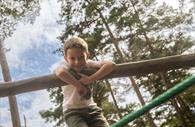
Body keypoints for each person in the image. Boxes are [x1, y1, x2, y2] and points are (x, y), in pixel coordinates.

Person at [55, 36, 116, 127]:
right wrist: (79, 86)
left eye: (81, 57)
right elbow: (60, 73)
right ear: (66, 58)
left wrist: (90, 79)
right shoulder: (66, 66)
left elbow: (111, 65)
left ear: (87, 56)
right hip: (72, 111)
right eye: (72, 58)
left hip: (92, 109)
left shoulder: (89, 63)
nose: (77, 62)